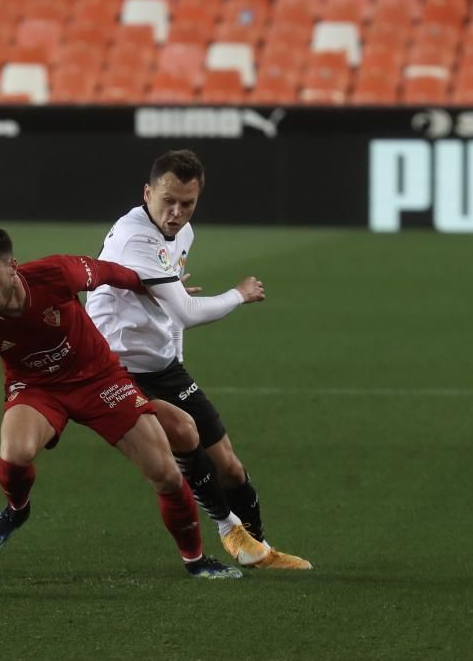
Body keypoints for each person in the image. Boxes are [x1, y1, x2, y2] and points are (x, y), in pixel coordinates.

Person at [0, 227, 271, 579]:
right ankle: (16, 510)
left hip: (99, 379)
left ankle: (196, 561)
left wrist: (159, 288)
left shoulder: (55, 273)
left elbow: (110, 272)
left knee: (165, 473)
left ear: (12, 267)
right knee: (14, 453)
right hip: (36, 388)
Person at [86, 149, 311, 569]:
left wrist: (176, 354)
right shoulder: (135, 237)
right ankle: (226, 533)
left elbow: (175, 314)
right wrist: (239, 294)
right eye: (167, 200)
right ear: (147, 192)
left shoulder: (182, 234)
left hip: (161, 363)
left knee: (228, 464)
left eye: (186, 204)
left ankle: (259, 550)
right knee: (183, 435)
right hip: (113, 368)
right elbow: (187, 312)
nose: (175, 213)